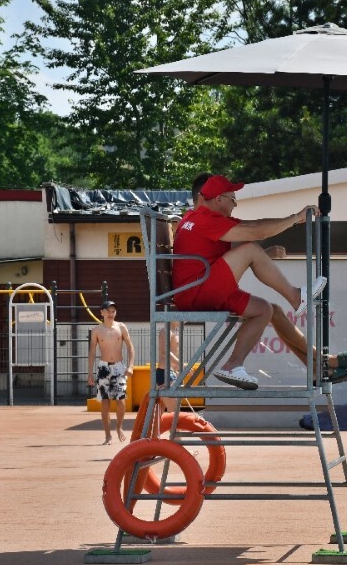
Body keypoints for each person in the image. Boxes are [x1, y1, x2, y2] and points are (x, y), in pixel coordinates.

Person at [172, 174, 329, 390]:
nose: (235, 206)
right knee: (250, 248)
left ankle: (234, 365)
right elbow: (257, 232)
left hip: (200, 288)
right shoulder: (203, 220)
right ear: (218, 199)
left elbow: (253, 226)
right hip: (198, 291)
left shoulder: (197, 219)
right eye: (232, 200)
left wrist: (263, 255)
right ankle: (296, 297)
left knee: (265, 309)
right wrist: (296, 217)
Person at [87, 300, 135, 444]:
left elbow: (130, 347)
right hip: (103, 368)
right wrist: (90, 373)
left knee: (121, 401)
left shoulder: (121, 327)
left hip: (119, 367)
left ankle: (119, 426)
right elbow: (92, 353)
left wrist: (130, 366)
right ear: (101, 312)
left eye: (113, 311)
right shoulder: (97, 330)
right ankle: (107, 435)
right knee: (105, 403)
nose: (111, 313)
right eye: (108, 311)